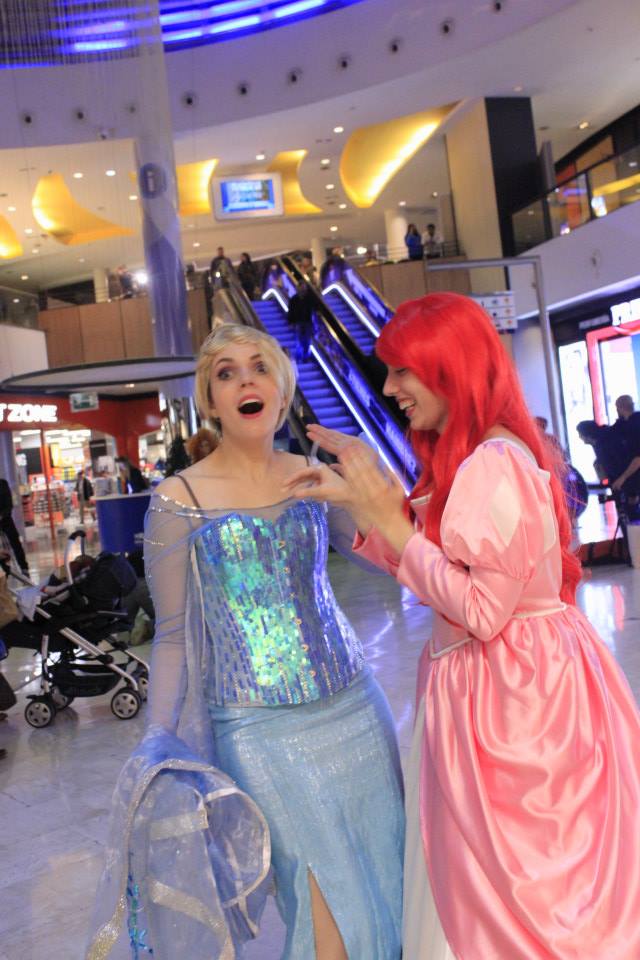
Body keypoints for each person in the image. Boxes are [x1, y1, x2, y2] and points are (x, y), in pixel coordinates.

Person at [284, 292, 640, 960]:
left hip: (511, 697)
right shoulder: (483, 457)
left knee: (511, 888)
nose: (389, 389)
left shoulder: (491, 464)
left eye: (403, 371)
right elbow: (443, 577)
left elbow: (479, 611)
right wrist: (374, 510)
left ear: (451, 367)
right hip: (512, 684)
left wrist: (389, 520)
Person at [88, 323, 404, 959]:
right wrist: (158, 738)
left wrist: (376, 494)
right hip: (258, 729)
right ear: (210, 400)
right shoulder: (178, 499)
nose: (245, 382)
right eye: (226, 373)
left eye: (259, 367)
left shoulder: (313, 476)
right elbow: (171, 636)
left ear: (282, 390)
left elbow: (388, 557)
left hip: (355, 708)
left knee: (388, 893)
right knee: (323, 911)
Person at [0, 477, 28, 574]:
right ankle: (4, 568)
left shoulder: (2, 484)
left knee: (15, 543)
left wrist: (2, 515)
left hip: (5, 519)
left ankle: (24, 567)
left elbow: (9, 504)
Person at [287, 279, 315, 363]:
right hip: (298, 322)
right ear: (298, 288)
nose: (303, 290)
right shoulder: (293, 300)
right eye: (301, 288)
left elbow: (313, 309)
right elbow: (291, 312)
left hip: (307, 322)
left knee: (307, 341)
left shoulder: (309, 299)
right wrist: (291, 322)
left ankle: (306, 356)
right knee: (298, 340)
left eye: (304, 288)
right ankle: (299, 356)